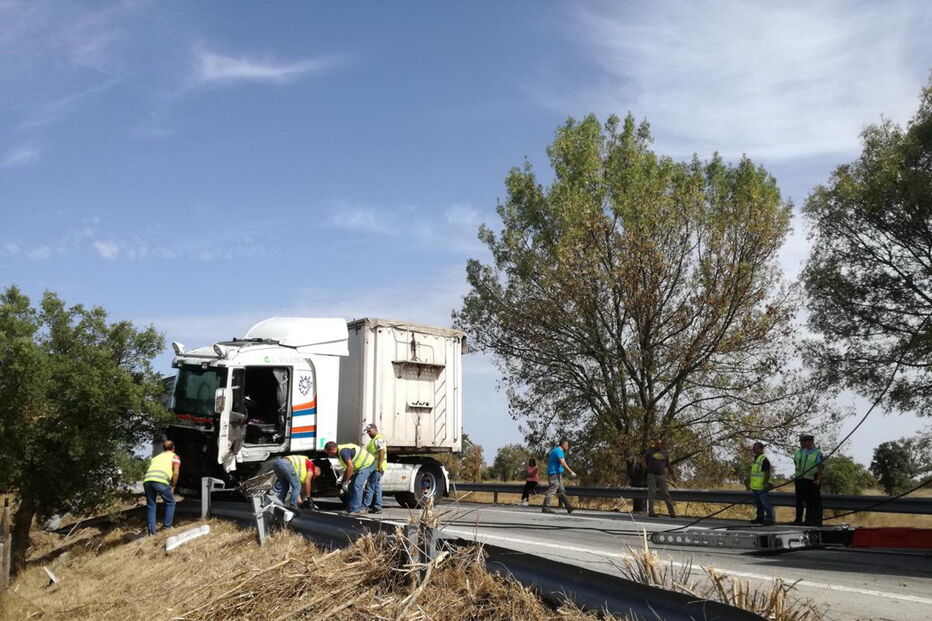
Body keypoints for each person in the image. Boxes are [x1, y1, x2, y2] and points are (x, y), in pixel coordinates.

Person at [324, 440, 376, 516]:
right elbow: (348, 468)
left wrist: (346, 481)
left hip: (367, 464)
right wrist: (345, 479)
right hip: (360, 467)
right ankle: (350, 509)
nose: (328, 454)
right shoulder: (340, 453)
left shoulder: (343, 451)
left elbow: (350, 466)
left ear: (332, 449)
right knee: (351, 486)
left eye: (328, 452)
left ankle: (356, 510)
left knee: (357, 485)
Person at [143, 440, 180, 535]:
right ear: (173, 448)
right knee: (170, 502)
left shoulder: (156, 458)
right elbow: (176, 473)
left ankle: (152, 532)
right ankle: (167, 527)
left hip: (147, 481)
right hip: (160, 481)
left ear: (163, 448)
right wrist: (173, 486)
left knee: (151, 506)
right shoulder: (175, 457)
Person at [792, 434, 824, 526]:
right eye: (802, 442)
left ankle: (814, 520)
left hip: (812, 479)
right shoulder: (802, 452)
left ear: (811, 442)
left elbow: (820, 467)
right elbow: (797, 464)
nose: (803, 443)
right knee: (801, 501)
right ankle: (802, 520)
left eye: (805, 441)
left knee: (813, 501)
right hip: (801, 479)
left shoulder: (817, 453)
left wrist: (818, 479)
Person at [642, 439, 677, 518]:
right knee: (652, 493)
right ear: (654, 444)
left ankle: (672, 512)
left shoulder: (664, 453)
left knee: (666, 494)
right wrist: (645, 466)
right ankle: (651, 512)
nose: (657, 445)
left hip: (661, 475)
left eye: (659, 444)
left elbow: (668, 464)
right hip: (651, 475)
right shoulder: (649, 451)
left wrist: (673, 475)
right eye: (656, 444)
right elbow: (643, 460)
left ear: (661, 445)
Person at [542, 439, 576, 514]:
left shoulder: (556, 450)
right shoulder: (559, 451)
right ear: (563, 444)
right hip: (554, 474)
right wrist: (571, 472)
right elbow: (563, 463)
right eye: (567, 445)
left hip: (557, 474)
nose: (568, 446)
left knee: (562, 491)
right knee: (552, 491)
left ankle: (569, 507)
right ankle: (545, 508)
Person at [361, 423, 388, 514]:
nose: (369, 433)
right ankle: (378, 507)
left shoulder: (378, 439)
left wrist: (379, 465)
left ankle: (365, 507)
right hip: (374, 467)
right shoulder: (374, 440)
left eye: (370, 431)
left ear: (375, 429)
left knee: (370, 487)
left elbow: (382, 452)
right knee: (376, 487)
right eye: (367, 432)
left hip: (377, 467)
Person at [747, 442, 774, 525]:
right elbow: (753, 473)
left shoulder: (764, 459)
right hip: (755, 486)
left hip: (761, 486)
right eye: (753, 448)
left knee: (765, 503)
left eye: (755, 448)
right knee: (759, 504)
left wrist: (765, 483)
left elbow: (767, 472)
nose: (753, 450)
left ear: (761, 449)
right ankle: (760, 518)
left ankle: (770, 519)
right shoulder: (756, 459)